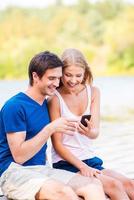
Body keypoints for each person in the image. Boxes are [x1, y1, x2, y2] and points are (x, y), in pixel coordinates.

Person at [0, 51, 106, 200]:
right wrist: (51, 128)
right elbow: (19, 156)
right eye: (51, 78)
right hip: (13, 173)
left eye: (58, 78)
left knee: (93, 186)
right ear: (35, 76)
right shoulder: (15, 106)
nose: (56, 84)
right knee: (65, 193)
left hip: (41, 170)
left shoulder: (46, 104)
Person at [48, 48, 134, 200]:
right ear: (61, 73)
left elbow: (95, 133)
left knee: (129, 184)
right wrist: (82, 167)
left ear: (85, 73)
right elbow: (58, 145)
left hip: (89, 159)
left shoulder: (93, 92)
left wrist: (89, 132)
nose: (73, 80)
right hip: (66, 164)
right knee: (114, 186)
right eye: (68, 75)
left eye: (78, 75)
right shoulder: (55, 99)